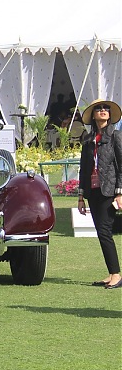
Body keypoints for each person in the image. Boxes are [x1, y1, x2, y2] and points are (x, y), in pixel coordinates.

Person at [77, 99, 122, 289]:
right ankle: (112, 273)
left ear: (110, 115)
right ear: (93, 115)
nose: (103, 111)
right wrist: (80, 196)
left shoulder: (116, 136)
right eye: (99, 109)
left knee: (105, 232)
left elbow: (121, 166)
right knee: (101, 232)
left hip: (109, 191)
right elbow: (83, 168)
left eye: (106, 109)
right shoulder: (88, 139)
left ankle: (116, 275)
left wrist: (120, 193)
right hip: (93, 191)